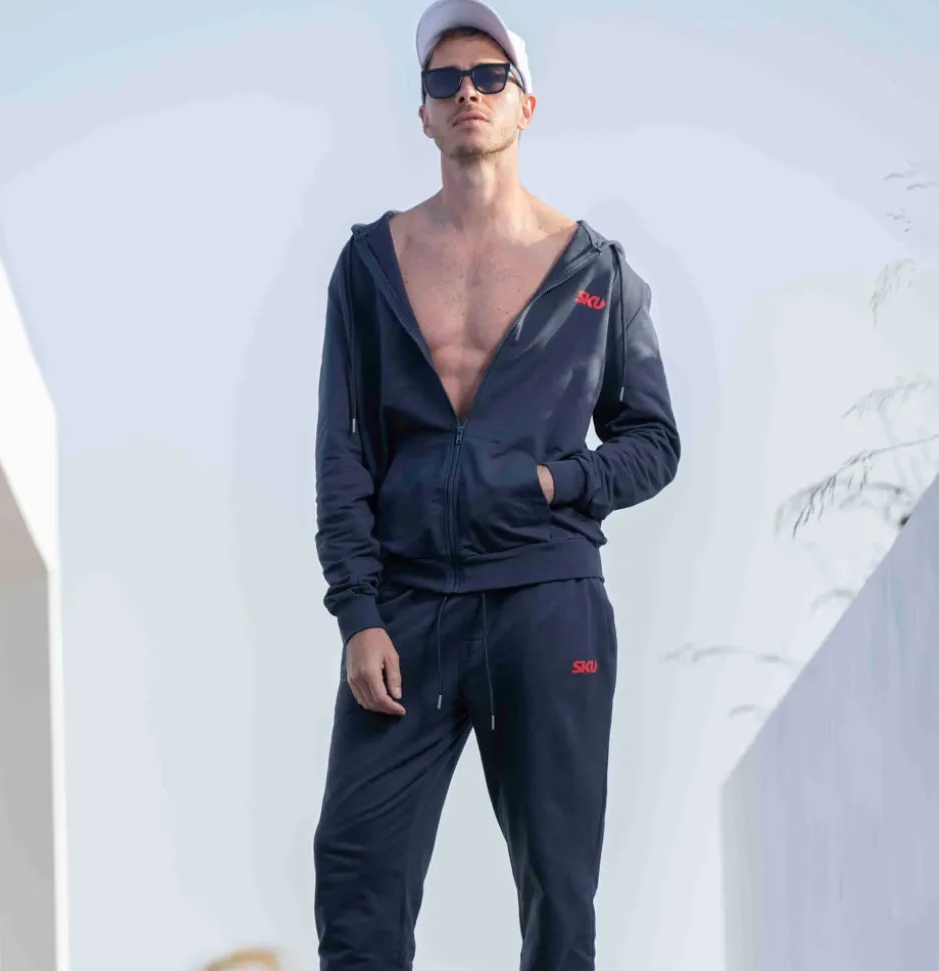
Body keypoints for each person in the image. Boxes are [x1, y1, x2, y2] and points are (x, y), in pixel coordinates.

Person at [311, 1, 681, 968]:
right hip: (407, 608)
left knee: (559, 893)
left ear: (526, 104)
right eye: (444, 81)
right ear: (422, 112)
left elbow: (653, 440)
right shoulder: (370, 265)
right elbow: (341, 451)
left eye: (488, 77)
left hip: (546, 601)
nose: (466, 92)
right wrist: (358, 613)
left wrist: (558, 481)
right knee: (355, 885)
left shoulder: (596, 270)